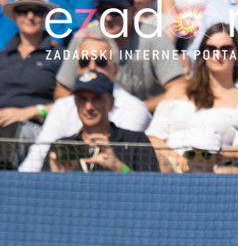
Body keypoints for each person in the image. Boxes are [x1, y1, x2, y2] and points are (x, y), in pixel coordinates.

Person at [19, 32, 150, 171]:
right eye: (84, 62)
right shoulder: (63, 106)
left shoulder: (134, 108)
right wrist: (57, 175)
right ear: (77, 68)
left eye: (100, 62)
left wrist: (118, 167)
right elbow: (35, 161)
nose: (92, 68)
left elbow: (133, 165)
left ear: (115, 69)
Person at [54, 0, 185, 110]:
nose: (108, 18)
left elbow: (179, 89)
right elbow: (62, 92)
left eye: (116, 11)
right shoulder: (83, 40)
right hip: (93, 115)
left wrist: (135, 111)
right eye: (102, 10)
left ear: (133, 11)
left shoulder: (154, 38)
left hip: (147, 117)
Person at [146, 23, 238, 171]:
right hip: (171, 170)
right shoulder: (178, 91)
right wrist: (175, 157)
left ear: (237, 54)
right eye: (211, 49)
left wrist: (205, 156)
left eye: (226, 49)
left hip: (214, 173)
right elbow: (153, 137)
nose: (218, 55)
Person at [46, 69, 159, 172]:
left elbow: (151, 186)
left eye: (97, 99)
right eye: (82, 99)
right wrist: (58, 175)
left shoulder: (135, 141)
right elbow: (42, 185)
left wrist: (118, 166)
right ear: (75, 103)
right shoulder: (63, 146)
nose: (89, 107)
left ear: (111, 102)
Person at [0, 0, 60, 167]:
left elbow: (70, 104)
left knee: (14, 132)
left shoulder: (60, 56)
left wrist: (30, 112)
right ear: (15, 16)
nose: (30, 16)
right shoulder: (2, 57)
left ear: (46, 16)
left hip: (37, 130)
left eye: (37, 11)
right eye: (23, 10)